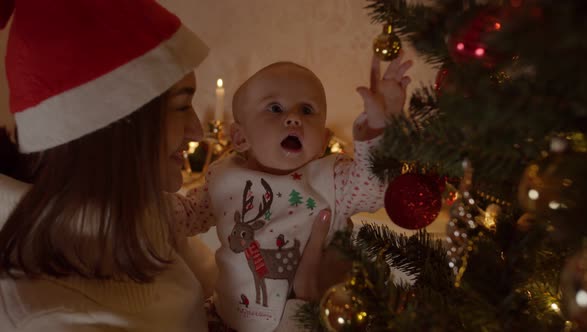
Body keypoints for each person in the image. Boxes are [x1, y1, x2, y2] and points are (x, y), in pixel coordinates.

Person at [0, 1, 332, 331]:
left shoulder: (145, 216)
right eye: (181, 106)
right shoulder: (50, 319)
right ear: (116, 128)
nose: (197, 131)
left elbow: (228, 298)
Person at [170, 54, 412, 331]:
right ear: (240, 137)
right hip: (226, 317)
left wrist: (380, 126)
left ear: (322, 141)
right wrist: (140, 205)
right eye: (275, 108)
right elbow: (188, 215)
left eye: (307, 110)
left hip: (301, 319)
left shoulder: (331, 178)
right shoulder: (224, 176)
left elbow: (373, 187)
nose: (294, 118)